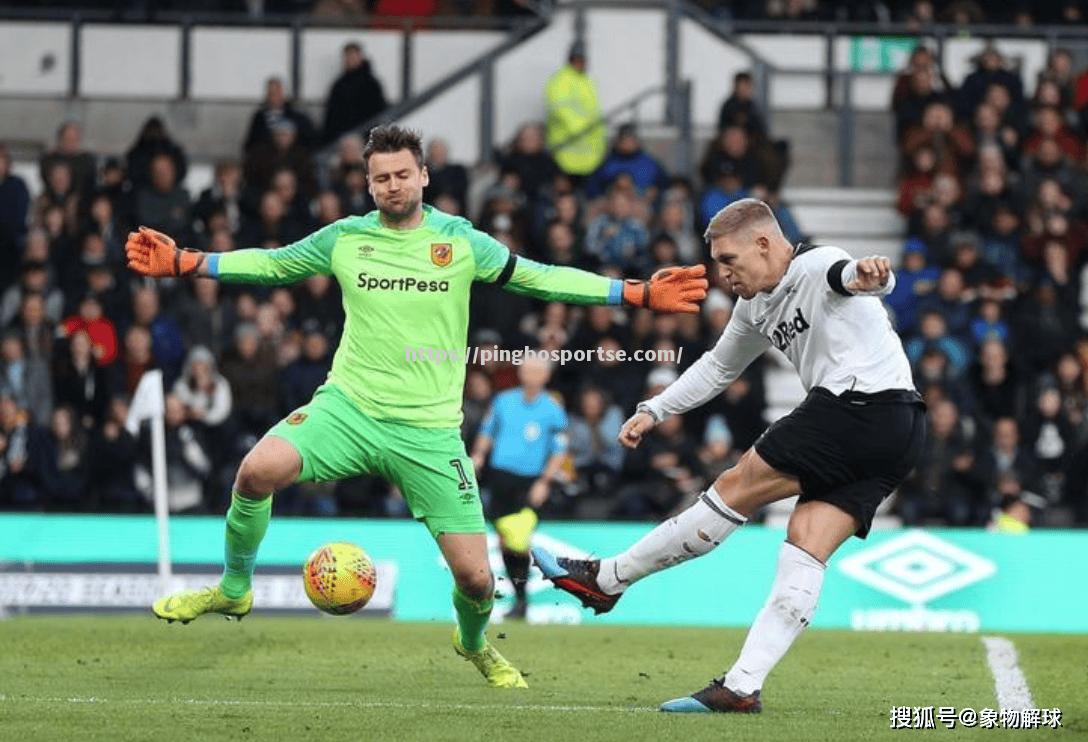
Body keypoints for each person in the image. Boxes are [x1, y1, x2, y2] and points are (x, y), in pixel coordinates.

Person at [125, 125, 707, 688]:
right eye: (381, 179)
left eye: (403, 174)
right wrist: (189, 262)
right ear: (369, 185)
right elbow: (274, 262)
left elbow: (540, 277)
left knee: (478, 580)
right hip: (347, 411)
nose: (393, 186)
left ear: (424, 176)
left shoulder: (460, 241)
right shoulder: (345, 239)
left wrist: (632, 292)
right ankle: (234, 587)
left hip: (428, 434)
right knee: (255, 471)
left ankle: (474, 643)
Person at [532, 198, 926, 713]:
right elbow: (718, 368)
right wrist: (655, 409)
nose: (723, 275)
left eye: (729, 261)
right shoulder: (755, 306)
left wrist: (872, 274)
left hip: (858, 406)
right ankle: (741, 686)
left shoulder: (813, 264)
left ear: (764, 244)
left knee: (736, 486)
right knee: (804, 546)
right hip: (900, 432)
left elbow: (848, 276)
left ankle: (608, 579)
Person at [470, 356, 567, 619]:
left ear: (545, 376)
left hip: (530, 481)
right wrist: (478, 454)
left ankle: (523, 599)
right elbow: (487, 432)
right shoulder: (504, 400)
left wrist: (545, 481)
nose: (531, 375)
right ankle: (520, 599)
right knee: (504, 541)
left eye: (537, 371)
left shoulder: (552, 408)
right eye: (527, 370)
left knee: (519, 539)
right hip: (501, 477)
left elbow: (559, 449)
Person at [545, 41, 606, 180]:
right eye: (577, 59)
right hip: (567, 150)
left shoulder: (587, 81)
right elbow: (560, 109)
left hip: (590, 154)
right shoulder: (560, 80)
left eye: (583, 60)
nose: (581, 63)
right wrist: (582, 129)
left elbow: (593, 112)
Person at [322, 42, 388, 145]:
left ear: (360, 57)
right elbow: (332, 116)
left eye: (353, 56)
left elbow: (378, 112)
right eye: (347, 56)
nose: (349, 60)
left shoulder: (372, 85)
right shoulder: (339, 85)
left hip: (366, 139)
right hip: (342, 140)